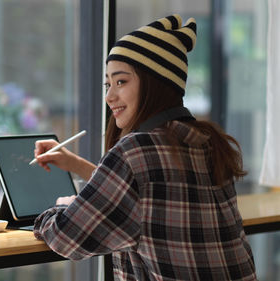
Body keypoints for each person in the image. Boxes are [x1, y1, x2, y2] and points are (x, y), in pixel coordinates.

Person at [32, 14, 257, 281]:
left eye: (121, 82)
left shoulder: (135, 150)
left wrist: (64, 207)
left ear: (155, 83)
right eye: (108, 84)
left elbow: (66, 237)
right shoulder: (207, 142)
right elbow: (148, 197)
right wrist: (77, 165)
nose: (109, 96)